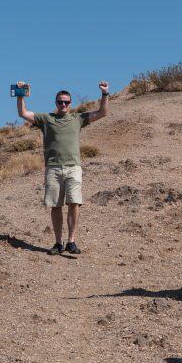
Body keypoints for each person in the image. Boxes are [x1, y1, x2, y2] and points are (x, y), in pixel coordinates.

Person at [15, 81, 111, 255]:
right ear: (56, 103)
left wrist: (104, 94)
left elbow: (103, 112)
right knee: (56, 206)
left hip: (73, 167)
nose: (63, 105)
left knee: (74, 203)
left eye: (66, 102)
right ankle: (58, 243)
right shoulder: (46, 119)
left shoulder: (78, 119)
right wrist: (20, 94)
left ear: (70, 103)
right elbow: (23, 113)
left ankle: (71, 242)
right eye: (60, 102)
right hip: (53, 168)